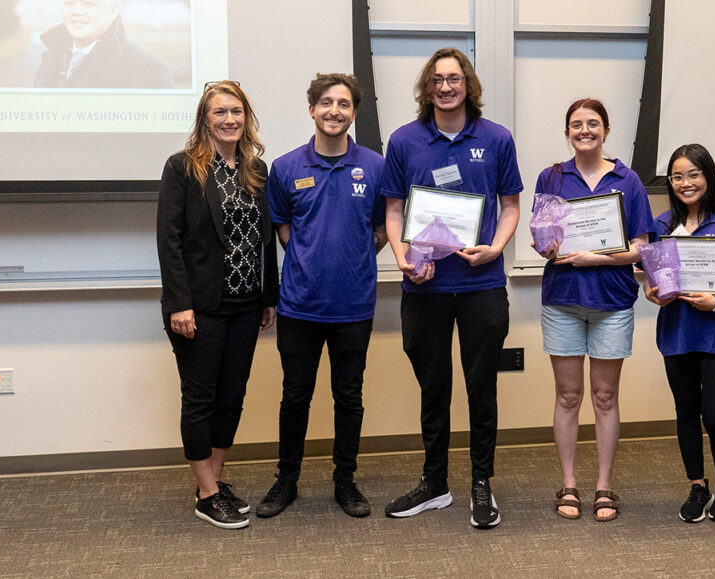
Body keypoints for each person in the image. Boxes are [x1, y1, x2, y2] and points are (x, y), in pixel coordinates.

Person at [381, 47, 522, 529]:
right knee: (433, 388)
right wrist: (402, 258)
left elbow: (509, 206)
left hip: (482, 283)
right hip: (425, 288)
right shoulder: (403, 141)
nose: (446, 86)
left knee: (481, 389)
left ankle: (482, 484)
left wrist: (495, 248)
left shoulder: (497, 138)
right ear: (427, 86)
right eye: (438, 79)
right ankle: (434, 483)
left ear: (469, 85)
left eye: (455, 78)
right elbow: (395, 210)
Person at [256, 73, 386, 519]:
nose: (335, 110)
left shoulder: (374, 165)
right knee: (295, 396)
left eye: (344, 104)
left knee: (349, 397)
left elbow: (385, 225)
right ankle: (286, 480)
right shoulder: (286, 168)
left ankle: (345, 481)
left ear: (354, 113)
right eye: (326, 102)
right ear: (312, 109)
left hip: (353, 305)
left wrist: (354, 254)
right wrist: (310, 257)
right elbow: (283, 227)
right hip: (300, 306)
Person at [156, 80, 278, 529]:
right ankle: (206, 493)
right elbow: (169, 241)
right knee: (201, 398)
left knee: (232, 397)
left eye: (237, 112)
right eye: (220, 112)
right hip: (200, 308)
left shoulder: (255, 169)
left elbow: (266, 242)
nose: (230, 119)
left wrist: (269, 297)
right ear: (204, 119)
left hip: (247, 305)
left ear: (246, 117)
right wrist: (179, 304)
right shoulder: (183, 168)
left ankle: (214, 479)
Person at [534, 98, 654, 522]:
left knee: (605, 396)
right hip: (563, 300)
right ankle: (569, 482)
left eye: (593, 124)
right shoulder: (550, 177)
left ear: (606, 130)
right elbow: (542, 238)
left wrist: (595, 258)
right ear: (567, 132)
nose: (585, 130)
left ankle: (604, 485)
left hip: (612, 300)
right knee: (568, 396)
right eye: (576, 124)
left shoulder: (629, 180)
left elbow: (642, 245)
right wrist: (546, 246)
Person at [643, 144, 715, 523]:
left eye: (694, 174)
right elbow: (650, 281)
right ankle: (697, 484)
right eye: (677, 176)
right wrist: (652, 292)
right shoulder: (660, 226)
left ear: (708, 177)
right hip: (677, 332)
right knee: (686, 413)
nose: (685, 183)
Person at [34, 0, 174, 89]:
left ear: (113, 11)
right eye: (69, 3)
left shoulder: (149, 71)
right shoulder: (51, 59)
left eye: (88, 3)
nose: (76, 11)